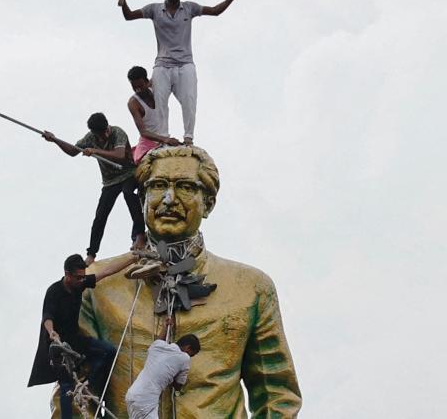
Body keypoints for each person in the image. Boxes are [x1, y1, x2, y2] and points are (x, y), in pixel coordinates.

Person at [57, 146, 302, 418]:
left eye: (185, 187)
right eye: (158, 186)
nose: (169, 199)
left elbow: (276, 395)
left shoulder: (252, 288)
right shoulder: (97, 286)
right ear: (142, 200)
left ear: (208, 202)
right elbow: (73, 388)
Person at [117, 0, 243, 145]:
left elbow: (214, 11)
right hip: (162, 64)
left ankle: (188, 137)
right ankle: (164, 138)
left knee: (189, 100)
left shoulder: (189, 8)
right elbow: (129, 16)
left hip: (185, 63)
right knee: (160, 101)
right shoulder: (154, 9)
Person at [28, 253, 138, 419]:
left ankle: (88, 387)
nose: (82, 281)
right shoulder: (54, 291)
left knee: (108, 351)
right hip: (58, 346)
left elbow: (106, 271)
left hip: (74, 339)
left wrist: (132, 258)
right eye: (78, 277)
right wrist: (51, 332)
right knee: (65, 385)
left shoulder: (79, 284)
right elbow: (47, 317)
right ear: (67, 274)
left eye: (83, 277)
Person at [43, 113, 147, 265]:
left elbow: (119, 155)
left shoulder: (118, 133)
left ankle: (139, 235)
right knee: (100, 215)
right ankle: (91, 254)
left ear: (107, 127)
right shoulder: (90, 138)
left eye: (105, 132)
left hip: (128, 174)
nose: (104, 136)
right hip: (110, 181)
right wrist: (55, 140)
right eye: (100, 135)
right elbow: (73, 151)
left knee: (128, 193)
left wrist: (95, 151)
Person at [125, 317, 200, 419]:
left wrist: (165, 328)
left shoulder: (156, 346)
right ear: (188, 348)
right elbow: (178, 386)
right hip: (146, 400)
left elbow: (159, 340)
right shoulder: (185, 358)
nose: (190, 357)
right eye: (192, 354)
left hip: (132, 395)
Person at [126, 66, 182, 164]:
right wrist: (165, 140)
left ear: (147, 82)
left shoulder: (155, 86)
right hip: (148, 142)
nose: (138, 90)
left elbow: (162, 68)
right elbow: (143, 132)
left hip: (164, 139)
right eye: (134, 88)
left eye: (140, 86)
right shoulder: (133, 103)